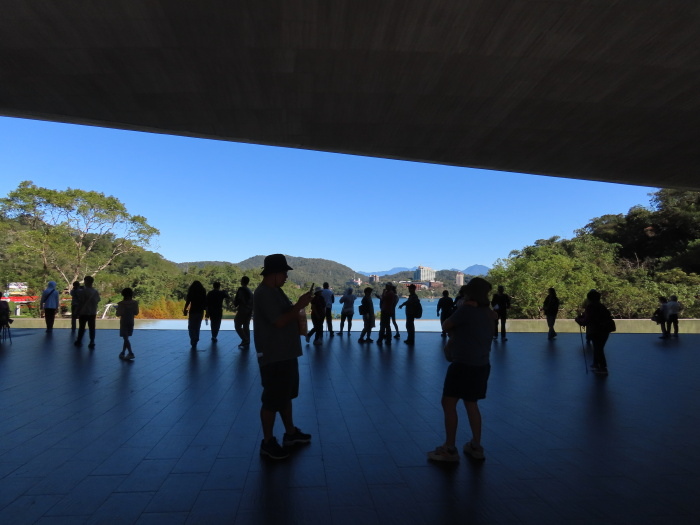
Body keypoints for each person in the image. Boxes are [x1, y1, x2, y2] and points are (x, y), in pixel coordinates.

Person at [428, 277, 497, 463]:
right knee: (471, 403)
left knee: (448, 404)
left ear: (471, 293)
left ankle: (449, 449)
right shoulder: (490, 313)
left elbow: (446, 325)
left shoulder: (466, 310)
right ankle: (476, 445)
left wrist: (463, 308)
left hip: (463, 364)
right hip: (482, 365)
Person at [253, 254, 313, 460]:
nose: (287, 276)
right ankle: (268, 442)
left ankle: (290, 433)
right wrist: (300, 305)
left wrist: (299, 304)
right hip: (274, 354)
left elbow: (285, 314)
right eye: (285, 273)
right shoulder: (263, 294)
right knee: (272, 399)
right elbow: (278, 322)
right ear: (275, 273)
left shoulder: (275, 291)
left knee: (284, 395)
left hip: (285, 353)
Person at [575, 289, 615, 375]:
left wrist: (578, 320)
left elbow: (586, 320)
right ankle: (597, 365)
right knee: (598, 348)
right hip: (605, 330)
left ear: (589, 298)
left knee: (598, 348)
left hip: (597, 330)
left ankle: (603, 368)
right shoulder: (601, 306)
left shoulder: (590, 307)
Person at [74, 276, 100, 349]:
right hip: (92, 312)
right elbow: (98, 300)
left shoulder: (82, 292)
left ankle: (79, 340)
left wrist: (77, 311)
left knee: (81, 327)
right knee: (92, 327)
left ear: (86, 282)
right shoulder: (95, 292)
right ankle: (92, 341)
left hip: (83, 312)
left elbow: (80, 302)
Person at [116, 287, 139, 360]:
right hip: (131, 321)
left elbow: (118, 314)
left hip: (124, 322)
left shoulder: (121, 304)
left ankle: (130, 353)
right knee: (126, 338)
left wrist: (117, 309)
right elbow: (136, 312)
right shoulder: (135, 303)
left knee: (125, 338)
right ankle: (122, 352)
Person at [184, 280, 207, 348]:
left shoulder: (191, 292)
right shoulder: (203, 291)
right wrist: (207, 312)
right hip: (200, 311)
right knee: (197, 326)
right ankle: (196, 338)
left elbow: (188, 301)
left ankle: (193, 338)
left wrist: (185, 309)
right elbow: (205, 302)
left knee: (191, 326)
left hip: (193, 311)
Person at [233, 276, 253, 348]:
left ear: (242, 281)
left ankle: (245, 340)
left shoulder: (241, 289)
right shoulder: (249, 291)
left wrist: (235, 302)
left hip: (243, 309)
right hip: (249, 310)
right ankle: (247, 341)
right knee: (246, 326)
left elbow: (239, 299)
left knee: (237, 325)